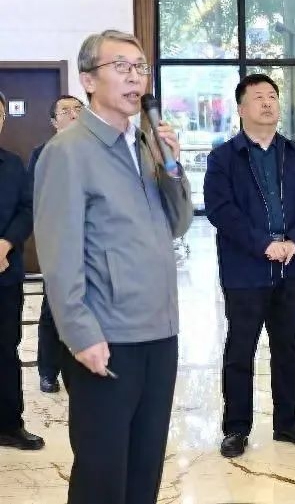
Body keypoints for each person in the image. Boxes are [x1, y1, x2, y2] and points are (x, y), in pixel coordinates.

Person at [34, 30, 193, 504]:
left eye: (140, 67)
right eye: (120, 66)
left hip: (159, 330)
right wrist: (81, 334)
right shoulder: (68, 151)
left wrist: (172, 167)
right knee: (102, 476)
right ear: (88, 80)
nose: (134, 77)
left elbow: (178, 224)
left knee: (145, 467)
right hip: (107, 338)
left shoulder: (143, 144)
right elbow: (58, 253)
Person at [204, 73, 295, 459]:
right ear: (241, 109)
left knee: (287, 346)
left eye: (272, 96)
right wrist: (263, 245)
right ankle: (236, 428)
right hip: (245, 269)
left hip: (292, 265)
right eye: (258, 97)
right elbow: (221, 210)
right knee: (241, 348)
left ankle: (288, 421)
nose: (268, 102)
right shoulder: (224, 158)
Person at [28, 94, 84, 394]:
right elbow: (34, 199)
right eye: (66, 110)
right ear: (54, 121)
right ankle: (48, 371)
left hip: (93, 244)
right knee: (54, 309)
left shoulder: (98, 151)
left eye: (78, 109)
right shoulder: (42, 154)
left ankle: (83, 369)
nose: (74, 114)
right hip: (60, 244)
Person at [0, 91, 44, 452]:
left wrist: (5, 245)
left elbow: (27, 209)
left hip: (5, 272)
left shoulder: (13, 165)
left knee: (5, 350)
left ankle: (10, 425)